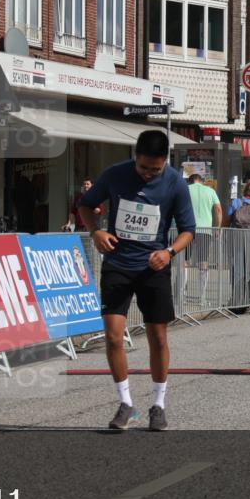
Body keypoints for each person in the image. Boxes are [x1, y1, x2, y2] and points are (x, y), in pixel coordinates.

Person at [78, 130, 195, 431]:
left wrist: (169, 252)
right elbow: (85, 205)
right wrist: (96, 232)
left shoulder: (175, 183)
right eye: (143, 168)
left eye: (155, 169)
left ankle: (158, 404)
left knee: (158, 337)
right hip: (118, 264)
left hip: (153, 267)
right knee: (114, 336)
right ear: (135, 157)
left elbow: (188, 230)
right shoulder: (115, 175)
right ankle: (126, 404)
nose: (148, 174)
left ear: (165, 162)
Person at [222, 179, 250, 312]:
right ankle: (248, 299)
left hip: (235, 239)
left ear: (245, 190)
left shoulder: (236, 202)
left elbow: (226, 221)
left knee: (236, 269)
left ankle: (236, 301)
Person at [183, 173, 222, 303]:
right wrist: (217, 227)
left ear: (190, 181)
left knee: (184, 262)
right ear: (201, 181)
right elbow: (218, 209)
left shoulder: (185, 189)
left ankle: (182, 294)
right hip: (205, 230)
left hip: (187, 230)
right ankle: (202, 297)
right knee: (203, 263)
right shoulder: (210, 191)